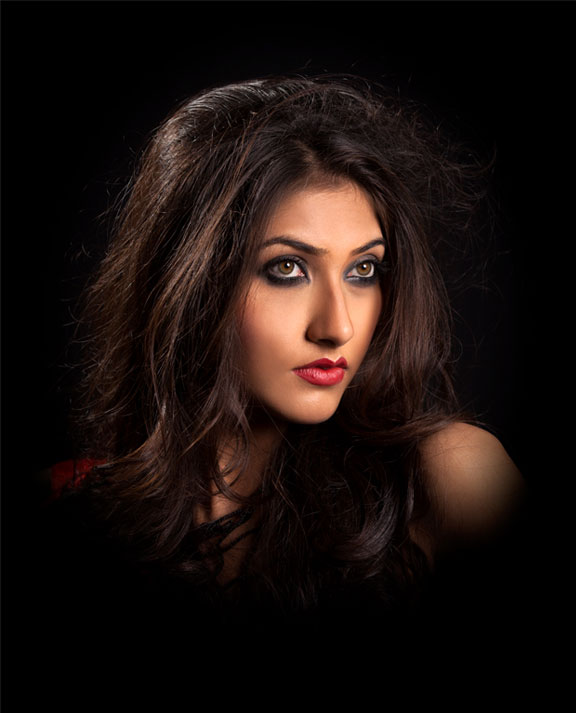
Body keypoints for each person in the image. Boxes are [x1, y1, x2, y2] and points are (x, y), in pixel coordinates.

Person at [31, 76, 524, 660]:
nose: (337, 327)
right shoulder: (74, 506)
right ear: (192, 282)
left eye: (363, 271)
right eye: (288, 268)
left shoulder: (448, 478)